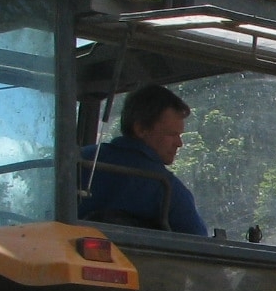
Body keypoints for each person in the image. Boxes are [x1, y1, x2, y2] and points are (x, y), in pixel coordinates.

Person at [80, 85, 208, 236]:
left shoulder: (78, 161)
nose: (179, 143)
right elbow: (200, 246)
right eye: (171, 134)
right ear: (141, 129)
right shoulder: (168, 189)